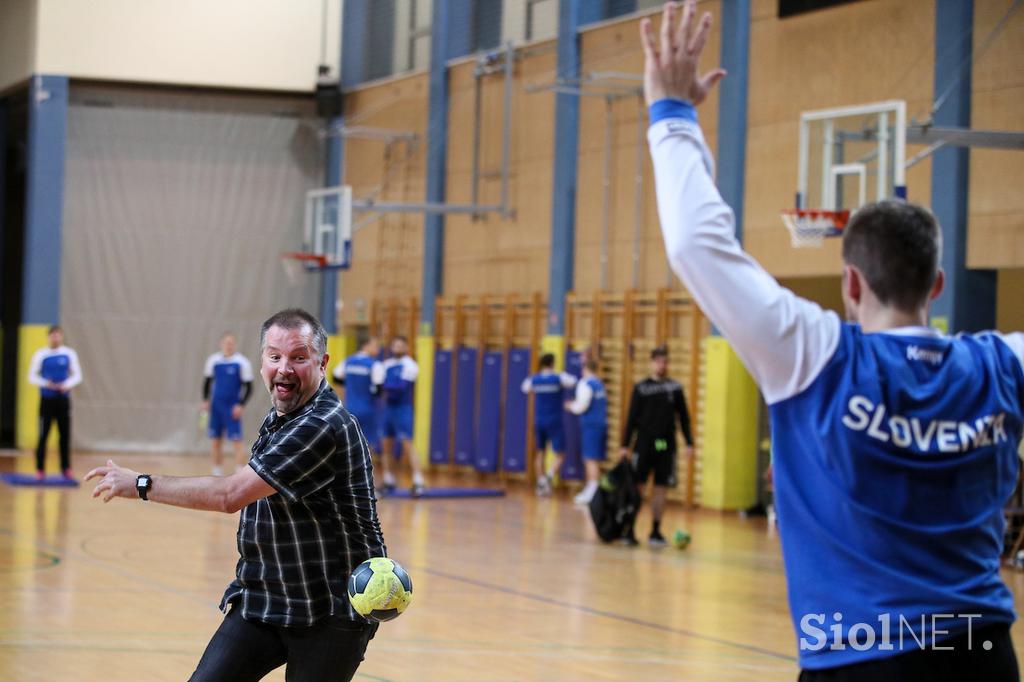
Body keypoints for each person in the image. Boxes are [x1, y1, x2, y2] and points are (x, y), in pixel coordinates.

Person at [640, 2, 1023, 678]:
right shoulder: (1001, 365)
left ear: (850, 284)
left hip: (859, 656)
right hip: (983, 656)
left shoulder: (816, 357)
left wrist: (673, 115)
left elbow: (698, 244)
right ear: (937, 286)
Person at [86, 308, 385, 681]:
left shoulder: (322, 424)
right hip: (266, 598)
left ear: (322, 363)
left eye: (298, 357)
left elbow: (231, 495)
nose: (284, 368)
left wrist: (141, 484)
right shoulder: (282, 415)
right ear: (262, 362)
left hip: (328, 612)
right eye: (274, 356)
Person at [619, 346, 694, 546]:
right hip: (644, 443)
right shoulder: (641, 388)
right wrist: (625, 445)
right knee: (638, 486)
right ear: (651, 363)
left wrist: (689, 442)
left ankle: (655, 531)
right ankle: (629, 530)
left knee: (661, 487)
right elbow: (632, 418)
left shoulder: (675, 388)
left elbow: (684, 417)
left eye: (665, 361)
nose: (662, 365)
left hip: (663, 444)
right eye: (658, 361)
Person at [27, 325, 82, 480]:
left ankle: (66, 468)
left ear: (61, 337)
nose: (55, 338)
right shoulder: (41, 355)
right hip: (47, 401)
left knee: (64, 435)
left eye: (58, 335)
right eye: (53, 335)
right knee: (43, 434)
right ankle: (40, 469)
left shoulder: (69, 354)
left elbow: (77, 375)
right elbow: (32, 376)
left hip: (63, 401)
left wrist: (66, 385)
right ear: (49, 337)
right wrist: (47, 384)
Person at [521, 353, 577, 495]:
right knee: (560, 453)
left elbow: (524, 388)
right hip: (555, 421)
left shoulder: (534, 379)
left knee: (540, 452)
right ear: (553, 363)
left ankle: (541, 482)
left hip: (539, 420)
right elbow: (574, 381)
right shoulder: (559, 378)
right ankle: (549, 477)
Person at [333, 336, 384, 485]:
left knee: (348, 444)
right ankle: (367, 480)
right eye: (375, 345)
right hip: (367, 409)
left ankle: (346, 481)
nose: (378, 349)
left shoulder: (348, 361)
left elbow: (336, 377)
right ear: (366, 345)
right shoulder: (374, 365)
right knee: (369, 445)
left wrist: (351, 386)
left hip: (349, 409)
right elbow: (379, 389)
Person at [202, 332, 254, 475]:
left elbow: (249, 387)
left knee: (237, 442)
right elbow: (207, 382)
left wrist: (241, 405)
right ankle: (216, 473)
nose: (228, 345)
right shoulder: (213, 360)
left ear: (234, 344)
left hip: (232, 408)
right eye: (226, 342)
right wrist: (206, 400)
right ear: (221, 344)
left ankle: (240, 474)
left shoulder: (242, 362)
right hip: (216, 407)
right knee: (215, 441)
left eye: (231, 342)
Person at [380, 336, 427, 496]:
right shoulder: (386, 364)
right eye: (395, 345)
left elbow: (402, 387)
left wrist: (383, 386)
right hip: (388, 409)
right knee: (386, 444)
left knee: (407, 444)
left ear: (406, 347)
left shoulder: (410, 365)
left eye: (401, 345)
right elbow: (378, 385)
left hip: (403, 409)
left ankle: (418, 481)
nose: (398, 348)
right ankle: (388, 479)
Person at [564, 358, 608, 505]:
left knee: (590, 459)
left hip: (591, 425)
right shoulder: (599, 384)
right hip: (600, 424)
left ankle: (592, 491)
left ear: (585, 369)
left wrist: (570, 406)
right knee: (593, 458)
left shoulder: (586, 384)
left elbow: (581, 406)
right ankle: (592, 489)